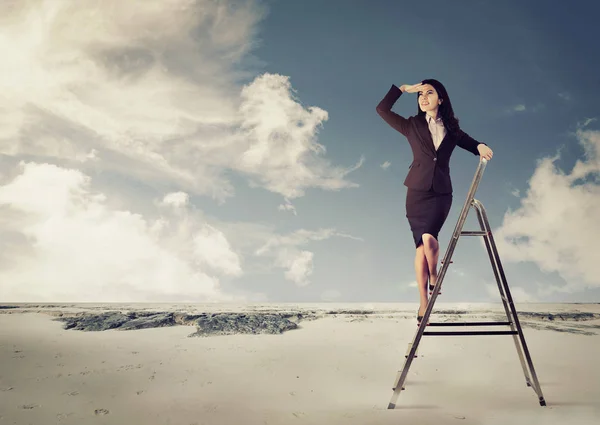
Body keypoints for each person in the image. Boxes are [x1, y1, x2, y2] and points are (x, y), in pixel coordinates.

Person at [376, 80, 493, 325]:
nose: (424, 97)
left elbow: (469, 142)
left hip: (441, 193)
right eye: (421, 94)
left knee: (430, 239)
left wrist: (480, 145)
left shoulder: (452, 128)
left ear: (441, 99)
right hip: (416, 193)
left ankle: (434, 274)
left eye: (430, 93)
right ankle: (423, 302)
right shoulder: (411, 125)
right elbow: (382, 110)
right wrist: (403, 89)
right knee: (421, 246)